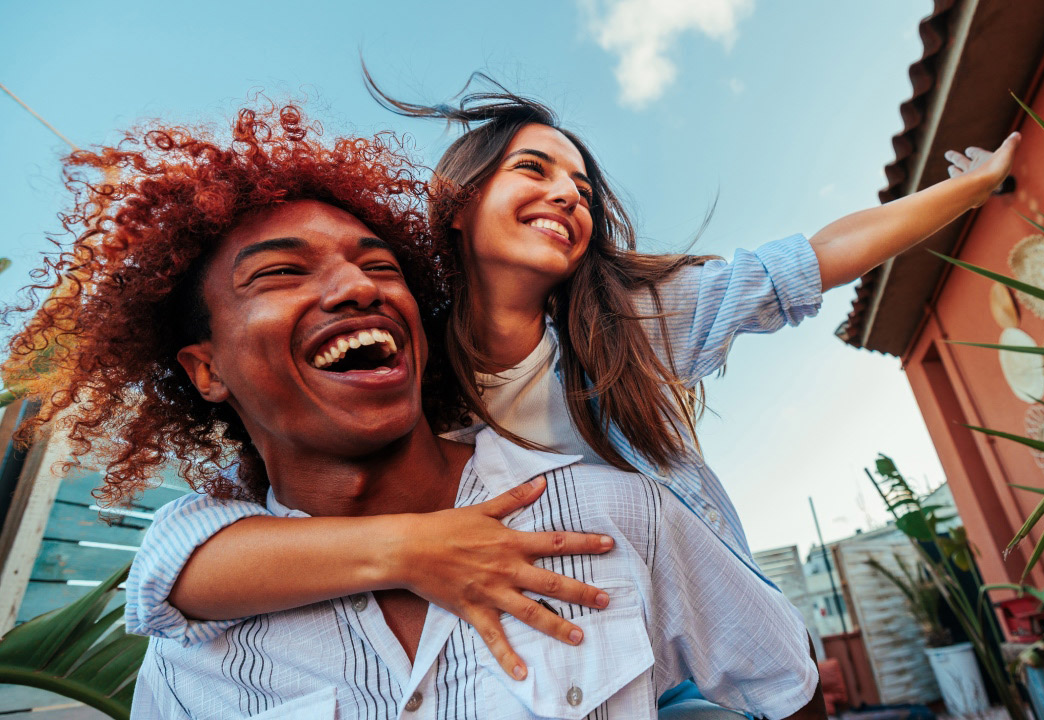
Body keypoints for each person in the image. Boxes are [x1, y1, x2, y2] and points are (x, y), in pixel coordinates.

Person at [122, 80, 1020, 689]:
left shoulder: (633, 320)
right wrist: (414, 549)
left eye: (584, 185)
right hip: (529, 638)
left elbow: (812, 259)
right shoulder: (401, 351)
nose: (569, 194)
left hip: (663, 631)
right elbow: (197, 558)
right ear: (462, 201)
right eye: (535, 170)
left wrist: (967, 192)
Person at [5, 102, 824, 719]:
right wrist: (413, 548)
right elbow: (169, 563)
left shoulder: (613, 509)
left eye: (376, 264)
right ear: (206, 368)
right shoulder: (197, 630)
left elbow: (785, 682)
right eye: (281, 273)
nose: (357, 286)